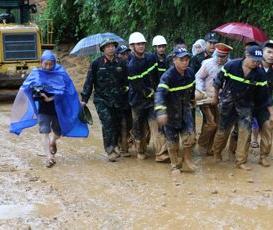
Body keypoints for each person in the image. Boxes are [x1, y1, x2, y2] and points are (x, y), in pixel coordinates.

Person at [10, 50, 89, 168]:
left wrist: (77, 103)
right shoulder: (36, 73)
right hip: (43, 109)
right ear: (41, 63)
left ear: (54, 63)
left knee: (58, 132)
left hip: (59, 109)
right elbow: (26, 88)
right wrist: (35, 92)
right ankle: (49, 157)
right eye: (45, 64)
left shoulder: (61, 73)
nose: (47, 67)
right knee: (44, 131)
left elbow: (69, 90)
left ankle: (53, 141)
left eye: (50, 64)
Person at [212, 45, 273, 171]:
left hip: (246, 106)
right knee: (223, 131)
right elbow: (218, 81)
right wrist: (215, 97)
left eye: (258, 60)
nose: (256, 63)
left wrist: (271, 113)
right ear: (247, 56)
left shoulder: (260, 74)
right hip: (228, 103)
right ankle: (217, 152)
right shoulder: (232, 65)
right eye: (254, 60)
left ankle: (241, 161)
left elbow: (265, 95)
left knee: (245, 132)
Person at [81, 38, 128, 162]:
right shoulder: (96, 64)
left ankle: (115, 145)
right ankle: (110, 150)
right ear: (103, 50)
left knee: (117, 124)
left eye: (112, 46)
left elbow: (126, 81)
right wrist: (84, 99)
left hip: (118, 99)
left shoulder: (121, 63)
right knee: (107, 123)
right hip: (101, 99)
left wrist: (125, 93)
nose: (110, 48)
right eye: (107, 47)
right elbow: (89, 82)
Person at [127, 32, 169, 162]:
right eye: (138, 44)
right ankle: (140, 150)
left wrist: (160, 90)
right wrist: (153, 93)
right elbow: (139, 87)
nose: (141, 46)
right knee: (138, 128)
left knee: (157, 126)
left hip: (152, 101)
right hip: (138, 101)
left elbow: (157, 76)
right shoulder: (131, 65)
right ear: (132, 46)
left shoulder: (151, 58)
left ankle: (160, 153)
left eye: (143, 44)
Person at [155, 47, 196, 175]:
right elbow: (160, 94)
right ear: (174, 60)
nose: (185, 62)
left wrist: (193, 99)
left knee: (191, 137)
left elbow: (192, 88)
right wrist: (161, 111)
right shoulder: (167, 76)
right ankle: (175, 165)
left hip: (185, 111)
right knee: (172, 143)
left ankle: (187, 159)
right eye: (182, 59)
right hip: (170, 113)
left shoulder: (190, 73)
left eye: (187, 59)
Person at [196, 43, 232, 156]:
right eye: (219, 55)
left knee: (218, 124)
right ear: (216, 54)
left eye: (223, 56)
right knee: (211, 123)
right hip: (207, 98)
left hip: (222, 100)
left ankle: (211, 149)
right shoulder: (207, 64)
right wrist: (201, 92)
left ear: (227, 56)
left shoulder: (231, 66)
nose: (220, 59)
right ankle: (202, 145)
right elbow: (199, 77)